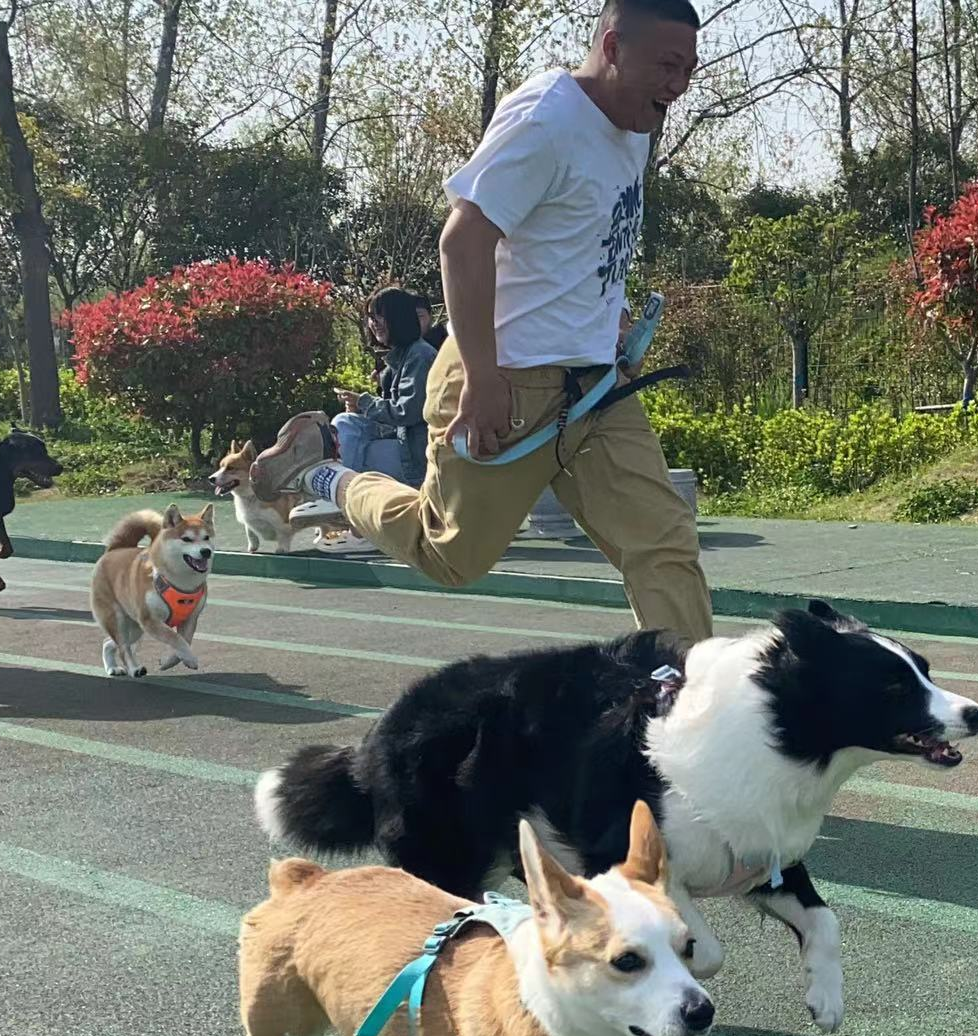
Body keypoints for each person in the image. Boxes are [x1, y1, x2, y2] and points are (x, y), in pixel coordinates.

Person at [287, 0, 713, 643]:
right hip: (506, 380)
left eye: (688, 70)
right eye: (666, 65)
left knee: (664, 542)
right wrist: (483, 379)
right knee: (451, 555)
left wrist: (614, 323)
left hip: (596, 387)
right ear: (613, 47)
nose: (677, 86)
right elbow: (463, 242)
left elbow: (592, 241)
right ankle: (334, 479)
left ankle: (685, 691)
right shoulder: (546, 119)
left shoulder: (635, 124)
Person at [316, 287, 437, 554]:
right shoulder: (402, 356)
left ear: (399, 317)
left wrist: (364, 403)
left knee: (351, 432)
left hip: (419, 458)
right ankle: (346, 507)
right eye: (371, 317)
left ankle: (351, 514)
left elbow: (408, 413)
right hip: (407, 446)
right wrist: (361, 410)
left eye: (380, 316)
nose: (374, 323)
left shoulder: (420, 356)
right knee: (346, 423)